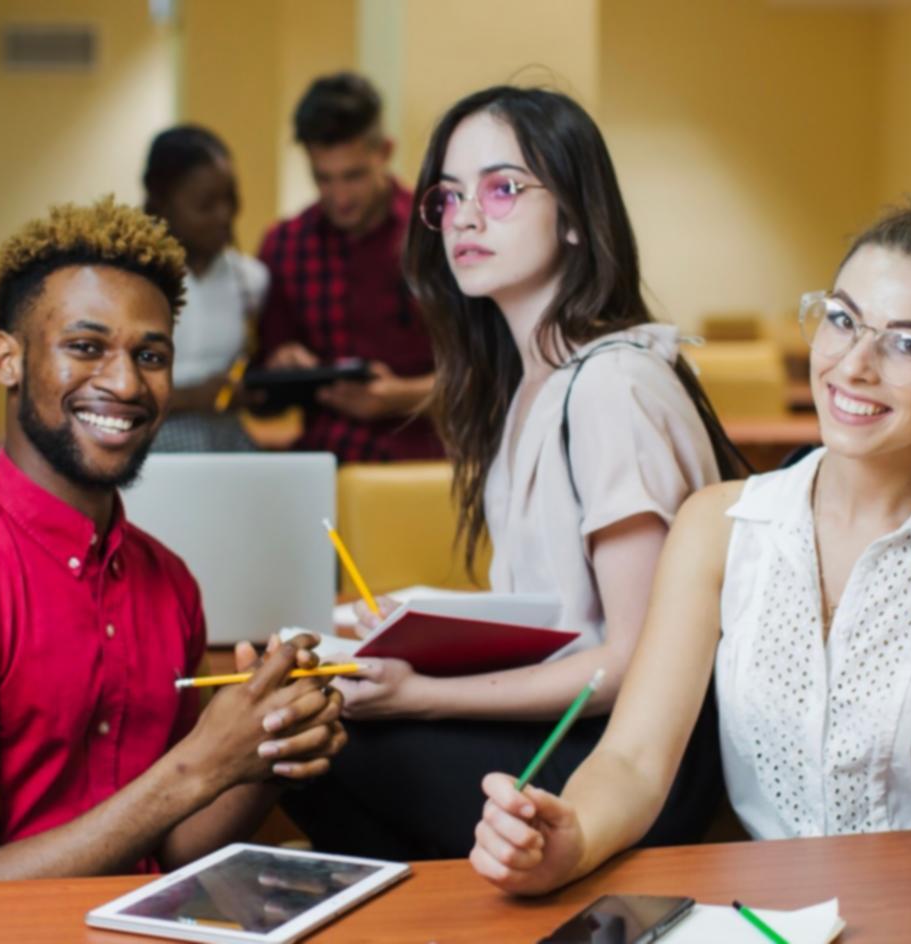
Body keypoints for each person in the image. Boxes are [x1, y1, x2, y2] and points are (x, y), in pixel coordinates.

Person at [470, 209, 911, 893]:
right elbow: (633, 760)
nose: (853, 366)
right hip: (772, 918)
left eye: (908, 345)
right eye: (841, 319)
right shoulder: (720, 526)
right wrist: (574, 836)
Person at [279, 86, 748, 861]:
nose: (465, 217)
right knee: (304, 721)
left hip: (633, 764)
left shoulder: (610, 387)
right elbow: (568, 615)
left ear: (572, 215)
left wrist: (423, 697)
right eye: (449, 196)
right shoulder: (526, 382)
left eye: (501, 189)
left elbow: (633, 659)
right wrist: (424, 625)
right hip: (575, 724)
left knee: (311, 748)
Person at [0, 198, 346, 896]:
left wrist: (263, 748)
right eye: (85, 347)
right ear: (7, 358)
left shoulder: (167, 582)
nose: (124, 383)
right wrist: (197, 765)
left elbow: (171, 846)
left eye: (151, 355)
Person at [253, 72, 443, 462]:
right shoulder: (285, 246)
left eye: (353, 176)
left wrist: (402, 397)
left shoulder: (438, 237)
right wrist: (283, 367)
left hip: (424, 472)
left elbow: (495, 380)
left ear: (385, 152)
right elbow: (260, 400)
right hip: (324, 472)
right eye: (324, 178)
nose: (340, 198)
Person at [143, 125, 267, 452]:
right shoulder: (131, 280)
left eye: (230, 198)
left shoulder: (251, 280)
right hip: (149, 448)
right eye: (206, 204)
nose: (224, 215)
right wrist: (190, 397)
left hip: (226, 444)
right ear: (162, 203)